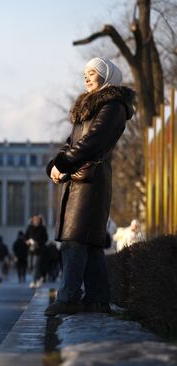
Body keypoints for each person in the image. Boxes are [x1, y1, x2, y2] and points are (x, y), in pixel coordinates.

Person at [44, 57, 136, 316]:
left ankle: (69, 297)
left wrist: (63, 163)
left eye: (92, 72)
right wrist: (56, 165)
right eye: (85, 73)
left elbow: (93, 142)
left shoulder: (113, 106)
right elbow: (71, 142)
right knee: (90, 243)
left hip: (90, 182)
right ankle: (97, 299)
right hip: (79, 180)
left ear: (106, 76)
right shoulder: (89, 106)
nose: (86, 77)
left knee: (75, 240)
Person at [24, 214, 48, 287]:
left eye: (38, 219)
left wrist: (38, 243)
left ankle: (34, 281)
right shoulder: (29, 228)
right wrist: (27, 241)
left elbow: (45, 238)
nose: (36, 220)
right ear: (32, 220)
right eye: (35, 219)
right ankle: (38, 278)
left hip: (38, 250)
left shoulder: (42, 228)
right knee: (30, 266)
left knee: (35, 265)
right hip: (30, 250)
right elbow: (25, 237)